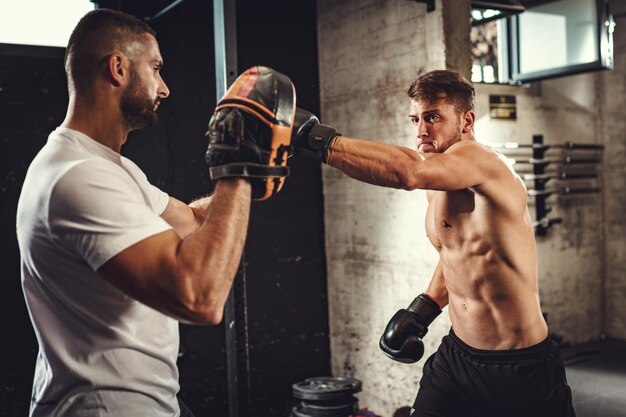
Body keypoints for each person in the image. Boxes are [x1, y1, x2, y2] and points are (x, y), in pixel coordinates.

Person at [16, 9, 294, 417]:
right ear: (118, 68)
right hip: (105, 404)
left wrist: (255, 169)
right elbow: (199, 296)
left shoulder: (111, 168)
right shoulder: (79, 176)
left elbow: (198, 223)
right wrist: (238, 168)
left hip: (142, 397)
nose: (164, 88)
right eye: (156, 68)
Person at [292, 70, 576, 417]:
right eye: (416, 118)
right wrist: (422, 311)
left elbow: (406, 172)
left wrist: (313, 138)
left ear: (466, 120)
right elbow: (457, 253)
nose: (421, 130)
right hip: (457, 359)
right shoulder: (438, 180)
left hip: (520, 367)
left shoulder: (483, 163)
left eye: (432, 117)